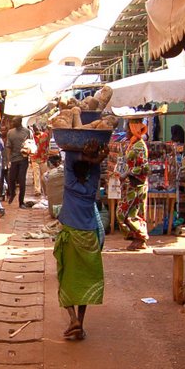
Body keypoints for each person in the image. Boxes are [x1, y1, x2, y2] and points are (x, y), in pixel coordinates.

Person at [53, 142, 107, 341]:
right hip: (89, 237)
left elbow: (69, 158)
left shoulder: (69, 183)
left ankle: (73, 318)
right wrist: (96, 160)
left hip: (71, 236)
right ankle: (80, 324)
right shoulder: (92, 185)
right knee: (85, 281)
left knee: (66, 278)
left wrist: (89, 158)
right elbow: (93, 169)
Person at [116, 118, 150, 250]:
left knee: (128, 213)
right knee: (127, 213)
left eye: (127, 129)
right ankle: (137, 238)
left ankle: (140, 238)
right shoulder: (132, 143)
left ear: (133, 129)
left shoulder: (140, 146)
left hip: (137, 185)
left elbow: (144, 167)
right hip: (130, 184)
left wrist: (127, 174)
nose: (125, 131)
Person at [5, 117, 30, 208]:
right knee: (11, 179)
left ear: (20, 122)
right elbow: (8, 146)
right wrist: (8, 159)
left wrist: (28, 151)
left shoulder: (27, 131)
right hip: (14, 159)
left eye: (14, 121)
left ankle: (21, 202)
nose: (12, 122)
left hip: (23, 159)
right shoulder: (10, 133)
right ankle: (12, 193)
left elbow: (30, 143)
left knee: (22, 180)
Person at [31, 126, 51, 197]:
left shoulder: (45, 135)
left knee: (44, 175)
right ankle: (37, 190)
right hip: (34, 157)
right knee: (36, 174)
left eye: (37, 129)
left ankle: (46, 190)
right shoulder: (32, 137)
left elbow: (48, 144)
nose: (36, 130)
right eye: (35, 129)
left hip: (43, 157)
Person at [43, 155, 64, 219]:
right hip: (65, 213)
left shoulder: (46, 175)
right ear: (58, 162)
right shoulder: (64, 172)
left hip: (52, 212)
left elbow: (46, 193)